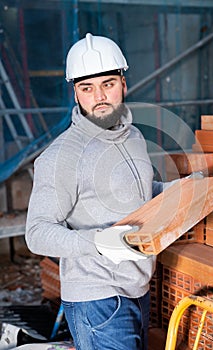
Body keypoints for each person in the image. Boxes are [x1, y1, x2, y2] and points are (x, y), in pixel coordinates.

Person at [25, 33, 167, 350]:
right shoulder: (62, 156)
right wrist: (99, 241)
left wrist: (179, 191)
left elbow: (138, 189)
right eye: (87, 88)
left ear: (124, 84)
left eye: (108, 84)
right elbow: (37, 233)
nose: (99, 96)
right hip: (97, 299)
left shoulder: (134, 138)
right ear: (76, 94)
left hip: (137, 287)